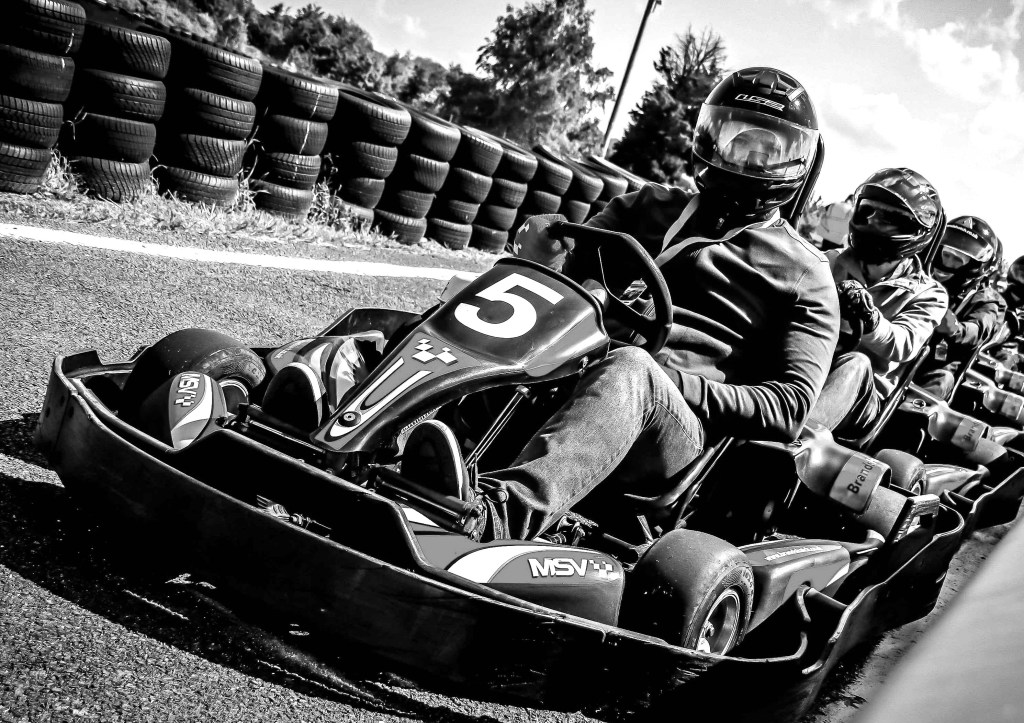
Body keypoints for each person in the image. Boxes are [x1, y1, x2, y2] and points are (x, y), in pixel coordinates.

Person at [404, 67, 840, 541]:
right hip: (576, 365)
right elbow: (563, 278)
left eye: (766, 149)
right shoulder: (648, 206)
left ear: (794, 162)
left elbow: (789, 407)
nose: (747, 158)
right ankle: (364, 433)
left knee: (630, 368)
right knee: (485, 303)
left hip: (674, 429)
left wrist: (668, 380)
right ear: (711, 136)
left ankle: (498, 515)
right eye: (737, 139)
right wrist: (545, 256)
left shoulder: (805, 271)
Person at [807, 168, 948, 438]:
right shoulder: (828, 261)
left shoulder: (929, 293)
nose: (872, 221)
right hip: (807, 363)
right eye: (868, 211)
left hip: (864, 397)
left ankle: (788, 445)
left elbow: (904, 344)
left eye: (887, 217)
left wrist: (870, 319)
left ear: (914, 230)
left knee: (856, 363)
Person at [915, 216, 1006, 398]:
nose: (947, 263)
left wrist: (955, 328)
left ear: (974, 266)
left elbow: (979, 329)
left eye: (957, 259)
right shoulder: (918, 274)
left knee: (943, 379)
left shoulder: (987, 300)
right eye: (946, 254)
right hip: (898, 344)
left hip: (934, 363)